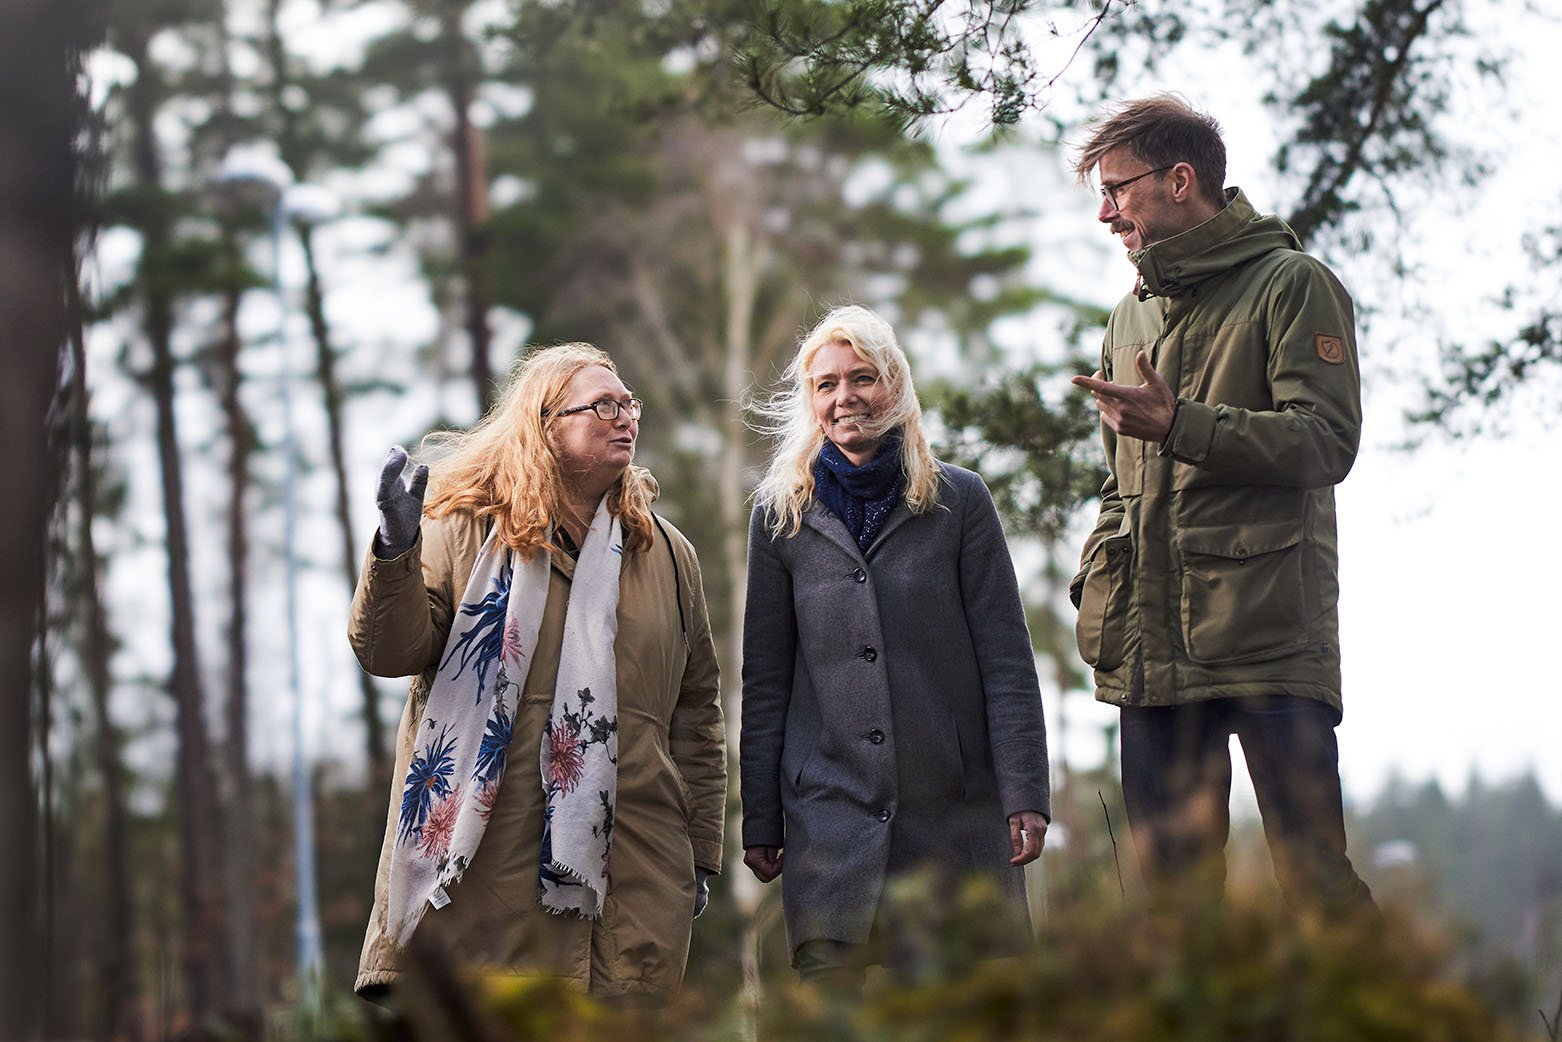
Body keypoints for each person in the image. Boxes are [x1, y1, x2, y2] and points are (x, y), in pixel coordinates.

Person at [1068, 94, 1374, 916]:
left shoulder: (1293, 285)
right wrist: (1098, 578)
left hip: (1270, 639)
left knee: (1315, 887)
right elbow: (1117, 481)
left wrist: (1182, 424)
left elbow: (1324, 444)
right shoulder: (1128, 313)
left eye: (1117, 189)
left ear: (1179, 180)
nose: (1105, 212)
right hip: (1152, 652)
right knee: (1172, 909)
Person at [349, 343, 726, 1001]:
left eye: (628, 403)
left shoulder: (666, 551)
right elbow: (389, 653)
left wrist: (697, 852)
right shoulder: (462, 525)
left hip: (634, 882)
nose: (625, 418)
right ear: (547, 425)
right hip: (479, 892)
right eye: (602, 406)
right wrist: (396, 549)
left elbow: (697, 710)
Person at [740, 304, 1050, 989]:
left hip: (954, 823)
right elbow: (764, 678)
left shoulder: (959, 500)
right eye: (826, 384)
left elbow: (1006, 660)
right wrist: (760, 813)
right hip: (829, 825)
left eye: (863, 377)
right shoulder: (779, 516)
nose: (845, 396)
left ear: (896, 385)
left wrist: (1025, 791)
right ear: (810, 400)